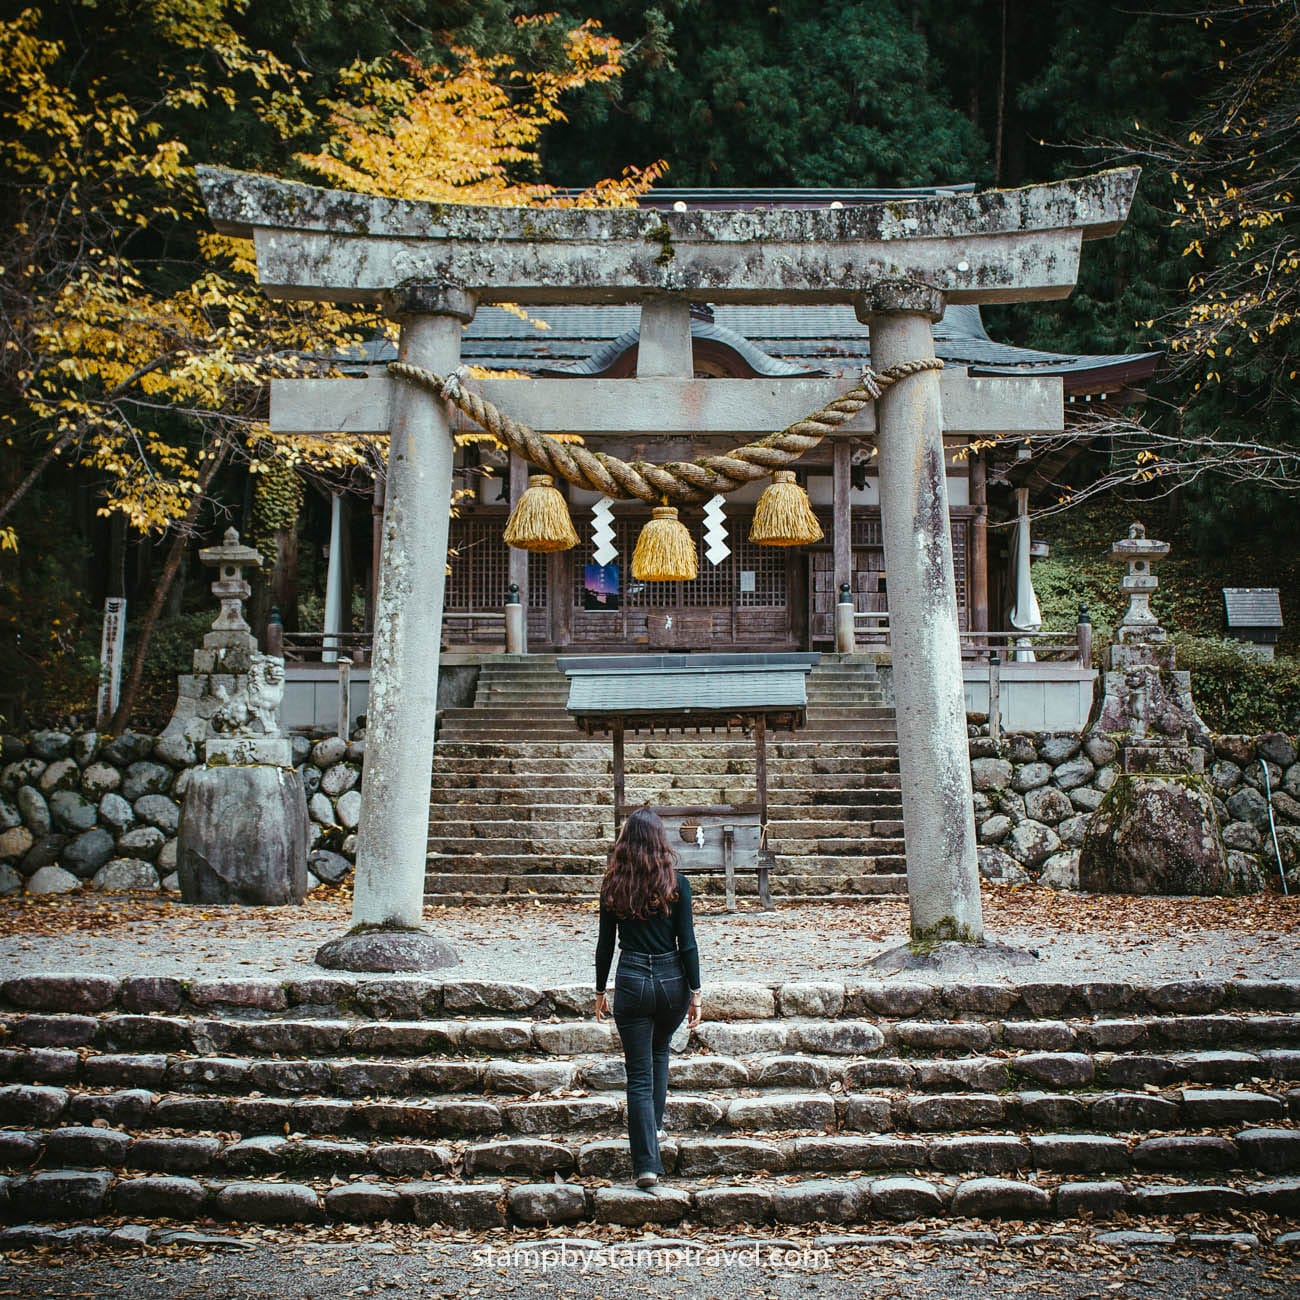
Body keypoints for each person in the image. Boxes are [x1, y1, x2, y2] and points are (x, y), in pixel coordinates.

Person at [593, 807, 703, 1190]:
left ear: (626, 841)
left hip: (632, 978)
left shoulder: (613, 885)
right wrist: (695, 992)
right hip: (672, 979)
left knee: (638, 1073)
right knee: (660, 1054)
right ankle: (655, 1130)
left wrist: (599, 988)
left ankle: (646, 1165)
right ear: (660, 840)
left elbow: (605, 945)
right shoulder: (678, 884)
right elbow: (687, 944)